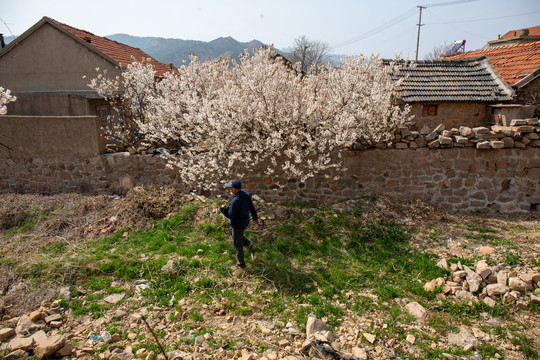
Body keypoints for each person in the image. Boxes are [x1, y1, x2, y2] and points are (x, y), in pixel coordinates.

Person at [220, 179, 259, 269]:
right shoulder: (245, 194)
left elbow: (230, 215)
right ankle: (248, 243)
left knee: (237, 244)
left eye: (231, 188)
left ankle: (241, 264)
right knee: (232, 232)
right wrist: (255, 218)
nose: (230, 189)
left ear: (234, 189)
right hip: (244, 221)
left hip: (237, 224)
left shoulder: (235, 201)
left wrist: (223, 210)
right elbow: (251, 207)